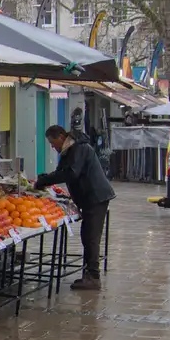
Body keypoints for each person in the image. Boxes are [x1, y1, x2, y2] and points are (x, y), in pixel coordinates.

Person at [35, 124, 116, 290]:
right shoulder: (68, 151)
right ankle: (89, 273)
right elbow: (61, 171)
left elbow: (71, 173)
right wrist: (46, 178)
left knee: (91, 237)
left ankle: (93, 277)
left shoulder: (78, 148)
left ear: (61, 137)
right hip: (89, 198)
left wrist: (45, 180)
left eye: (52, 143)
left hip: (95, 197)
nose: (52, 147)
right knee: (87, 235)